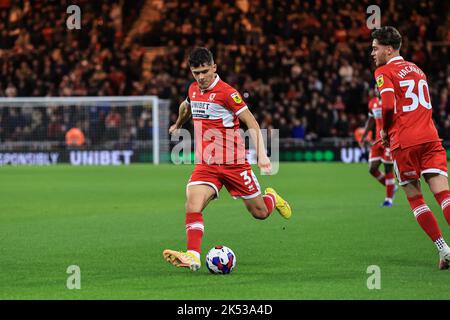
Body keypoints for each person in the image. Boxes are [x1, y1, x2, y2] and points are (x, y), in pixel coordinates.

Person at [163, 47, 292, 271]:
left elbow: (251, 123)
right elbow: (186, 105)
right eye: (196, 73)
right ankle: (193, 255)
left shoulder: (227, 93)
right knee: (192, 203)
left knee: (260, 213)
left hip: (234, 164)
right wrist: (178, 124)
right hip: (207, 164)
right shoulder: (193, 89)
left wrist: (262, 156)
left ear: (214, 67)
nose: (201, 77)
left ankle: (271, 198)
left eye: (205, 71)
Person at [372, 26, 450, 269]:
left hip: (404, 142)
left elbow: (386, 106)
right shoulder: (418, 70)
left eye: (375, 49)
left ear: (388, 49)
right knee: (444, 196)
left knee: (416, 198)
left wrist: (384, 130)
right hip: (430, 136)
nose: (372, 53)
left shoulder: (384, 71)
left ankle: (444, 250)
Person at [359, 87, 398, 207]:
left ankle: (388, 200)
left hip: (389, 140)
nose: (377, 90)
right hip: (377, 141)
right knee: (372, 169)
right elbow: (371, 120)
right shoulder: (373, 103)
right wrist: (364, 135)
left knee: (388, 169)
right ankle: (391, 187)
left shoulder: (392, 102)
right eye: (376, 88)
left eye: (379, 88)